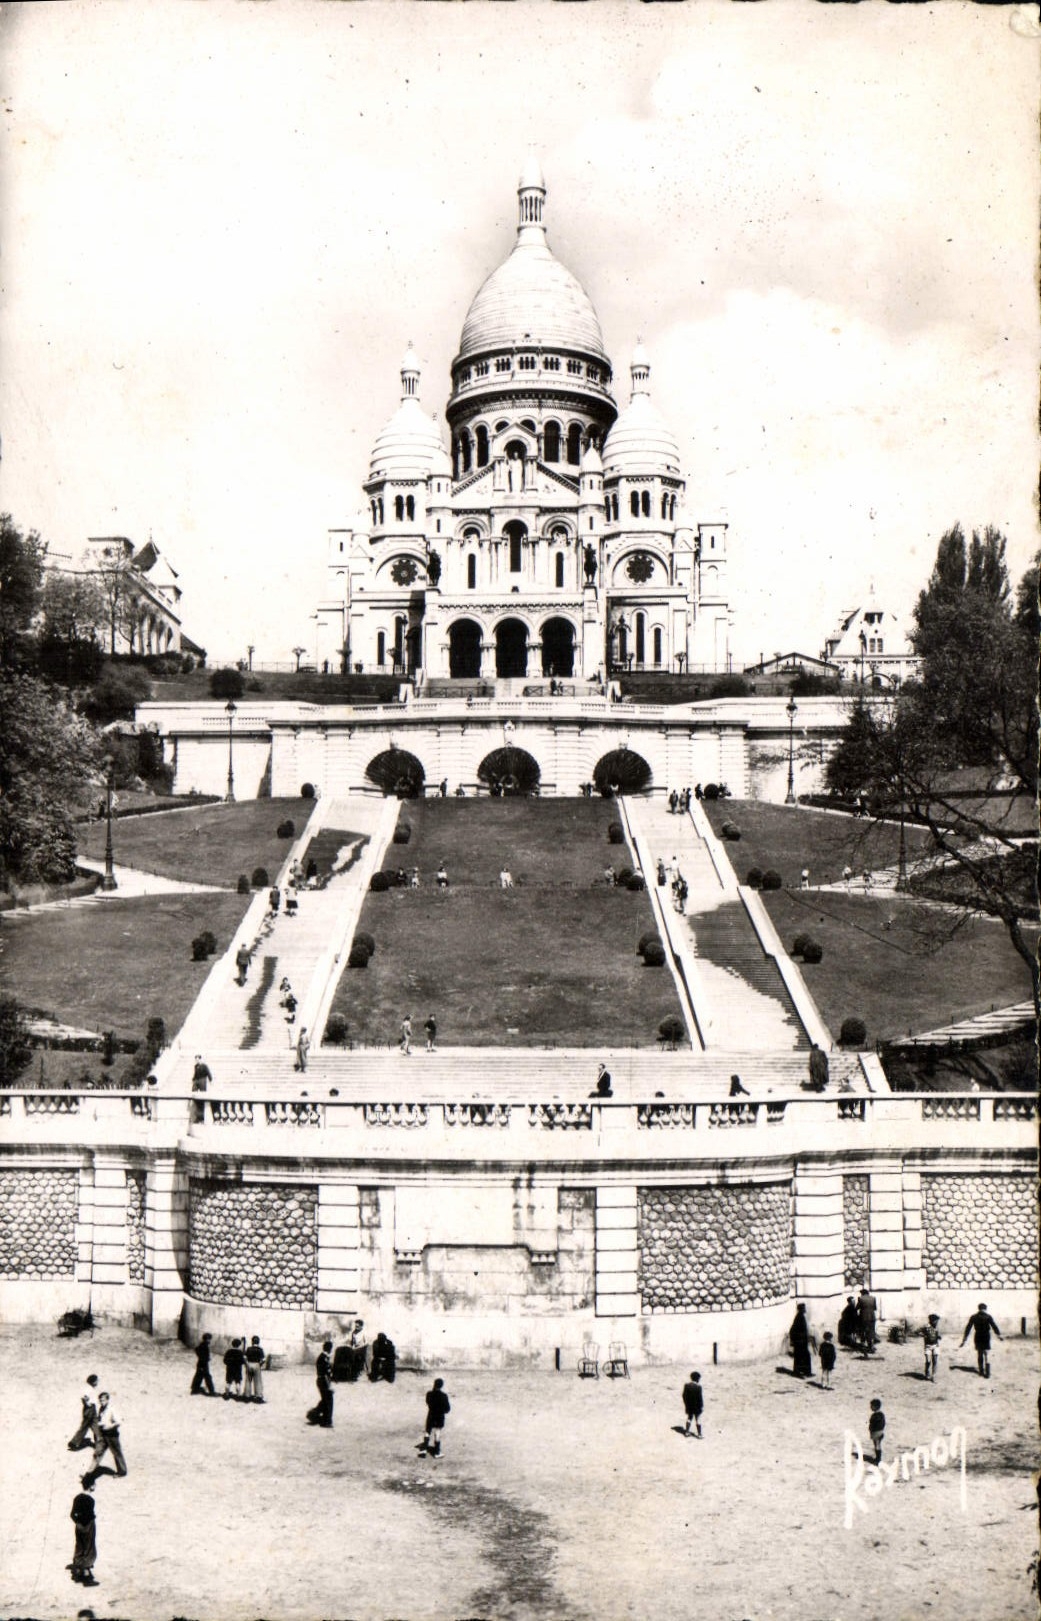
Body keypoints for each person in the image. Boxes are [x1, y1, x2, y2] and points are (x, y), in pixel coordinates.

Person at [69, 1475, 98, 1586]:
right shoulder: (91, 1500)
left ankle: (78, 1571)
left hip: (79, 1525)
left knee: (80, 1546)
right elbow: (89, 1515)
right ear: (91, 1486)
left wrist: (78, 1523)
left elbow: (72, 1514)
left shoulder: (77, 1498)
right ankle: (86, 1574)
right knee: (90, 1549)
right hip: (89, 1525)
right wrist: (87, 1524)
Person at [91, 1392, 128, 1478]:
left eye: (103, 1400)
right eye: (100, 1400)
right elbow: (100, 1419)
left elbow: (119, 1422)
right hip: (103, 1435)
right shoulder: (101, 1408)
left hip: (112, 1435)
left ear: (107, 1400)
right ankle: (90, 1472)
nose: (101, 1402)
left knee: (116, 1453)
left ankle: (122, 1471)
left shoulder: (112, 1409)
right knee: (98, 1452)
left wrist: (109, 1426)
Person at [960, 1303, 1001, 1378]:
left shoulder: (974, 1317)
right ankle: (987, 1372)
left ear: (978, 1308)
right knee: (986, 1353)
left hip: (978, 1336)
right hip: (986, 1336)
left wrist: (964, 1339)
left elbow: (968, 1328)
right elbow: (994, 1326)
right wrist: (999, 1335)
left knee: (979, 1353)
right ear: (985, 1309)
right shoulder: (988, 1317)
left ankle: (981, 1371)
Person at [68, 1374, 100, 1451]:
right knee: (85, 1426)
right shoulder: (88, 1389)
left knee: (95, 1425)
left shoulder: (91, 1388)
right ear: (93, 1382)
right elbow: (84, 1397)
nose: (97, 1382)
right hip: (89, 1409)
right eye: (97, 1381)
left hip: (92, 1409)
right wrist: (87, 1404)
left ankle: (99, 1443)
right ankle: (74, 1442)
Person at [422, 1377, 451, 1457]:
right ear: (441, 1386)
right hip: (439, 1416)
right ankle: (437, 1452)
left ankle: (423, 1450)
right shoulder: (444, 1396)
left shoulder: (429, 1394)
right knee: (437, 1432)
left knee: (428, 1431)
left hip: (431, 1414)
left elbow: (427, 1402)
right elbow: (447, 1409)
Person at [309, 1339, 334, 1427]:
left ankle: (313, 1415)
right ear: (329, 1349)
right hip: (323, 1381)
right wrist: (329, 1385)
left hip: (322, 1380)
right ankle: (326, 1421)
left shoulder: (323, 1357)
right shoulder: (323, 1358)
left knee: (325, 1400)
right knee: (328, 1400)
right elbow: (326, 1373)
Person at [788, 1302, 814, 1379]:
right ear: (801, 1309)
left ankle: (805, 1372)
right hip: (800, 1342)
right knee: (800, 1357)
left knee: (804, 1356)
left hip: (802, 1341)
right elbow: (793, 1330)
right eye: (804, 1308)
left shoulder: (800, 1316)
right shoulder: (799, 1317)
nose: (805, 1309)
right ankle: (799, 1372)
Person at [681, 1371, 704, 1437]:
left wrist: (686, 1404)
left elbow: (684, 1396)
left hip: (689, 1406)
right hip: (697, 1407)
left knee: (689, 1418)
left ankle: (687, 1432)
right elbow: (700, 1398)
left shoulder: (687, 1386)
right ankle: (699, 1434)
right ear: (697, 1379)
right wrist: (701, 1406)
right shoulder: (698, 1387)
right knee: (698, 1419)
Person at [245, 1336, 266, 1403]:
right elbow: (264, 1359)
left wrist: (246, 1364)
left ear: (252, 1341)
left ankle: (247, 1395)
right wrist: (260, 1364)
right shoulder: (260, 1349)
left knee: (248, 1380)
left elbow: (245, 1357)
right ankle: (258, 1396)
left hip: (249, 1364)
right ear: (258, 1342)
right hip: (256, 1364)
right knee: (258, 1381)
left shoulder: (249, 1349)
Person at [857, 1286, 877, 1354]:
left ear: (862, 1293)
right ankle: (871, 1346)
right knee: (871, 1331)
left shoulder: (860, 1298)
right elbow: (875, 1308)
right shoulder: (873, 1298)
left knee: (863, 1331)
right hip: (872, 1317)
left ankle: (863, 1345)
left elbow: (857, 1307)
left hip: (863, 1318)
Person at [921, 1315, 941, 1381]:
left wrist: (938, 1337)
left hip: (935, 1346)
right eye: (936, 1321)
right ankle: (927, 1372)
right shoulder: (926, 1327)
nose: (937, 1322)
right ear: (932, 1320)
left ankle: (934, 1376)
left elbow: (937, 1335)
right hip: (928, 1346)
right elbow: (917, 1332)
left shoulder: (936, 1327)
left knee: (935, 1361)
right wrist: (924, 1335)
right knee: (928, 1361)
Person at [868, 1398, 885, 1465]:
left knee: (877, 1445)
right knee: (877, 1445)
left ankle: (878, 1459)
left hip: (877, 1433)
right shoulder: (880, 1414)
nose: (870, 1407)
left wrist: (873, 1430)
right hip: (878, 1432)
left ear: (876, 1407)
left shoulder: (876, 1415)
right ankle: (878, 1458)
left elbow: (874, 1424)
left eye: (872, 1406)